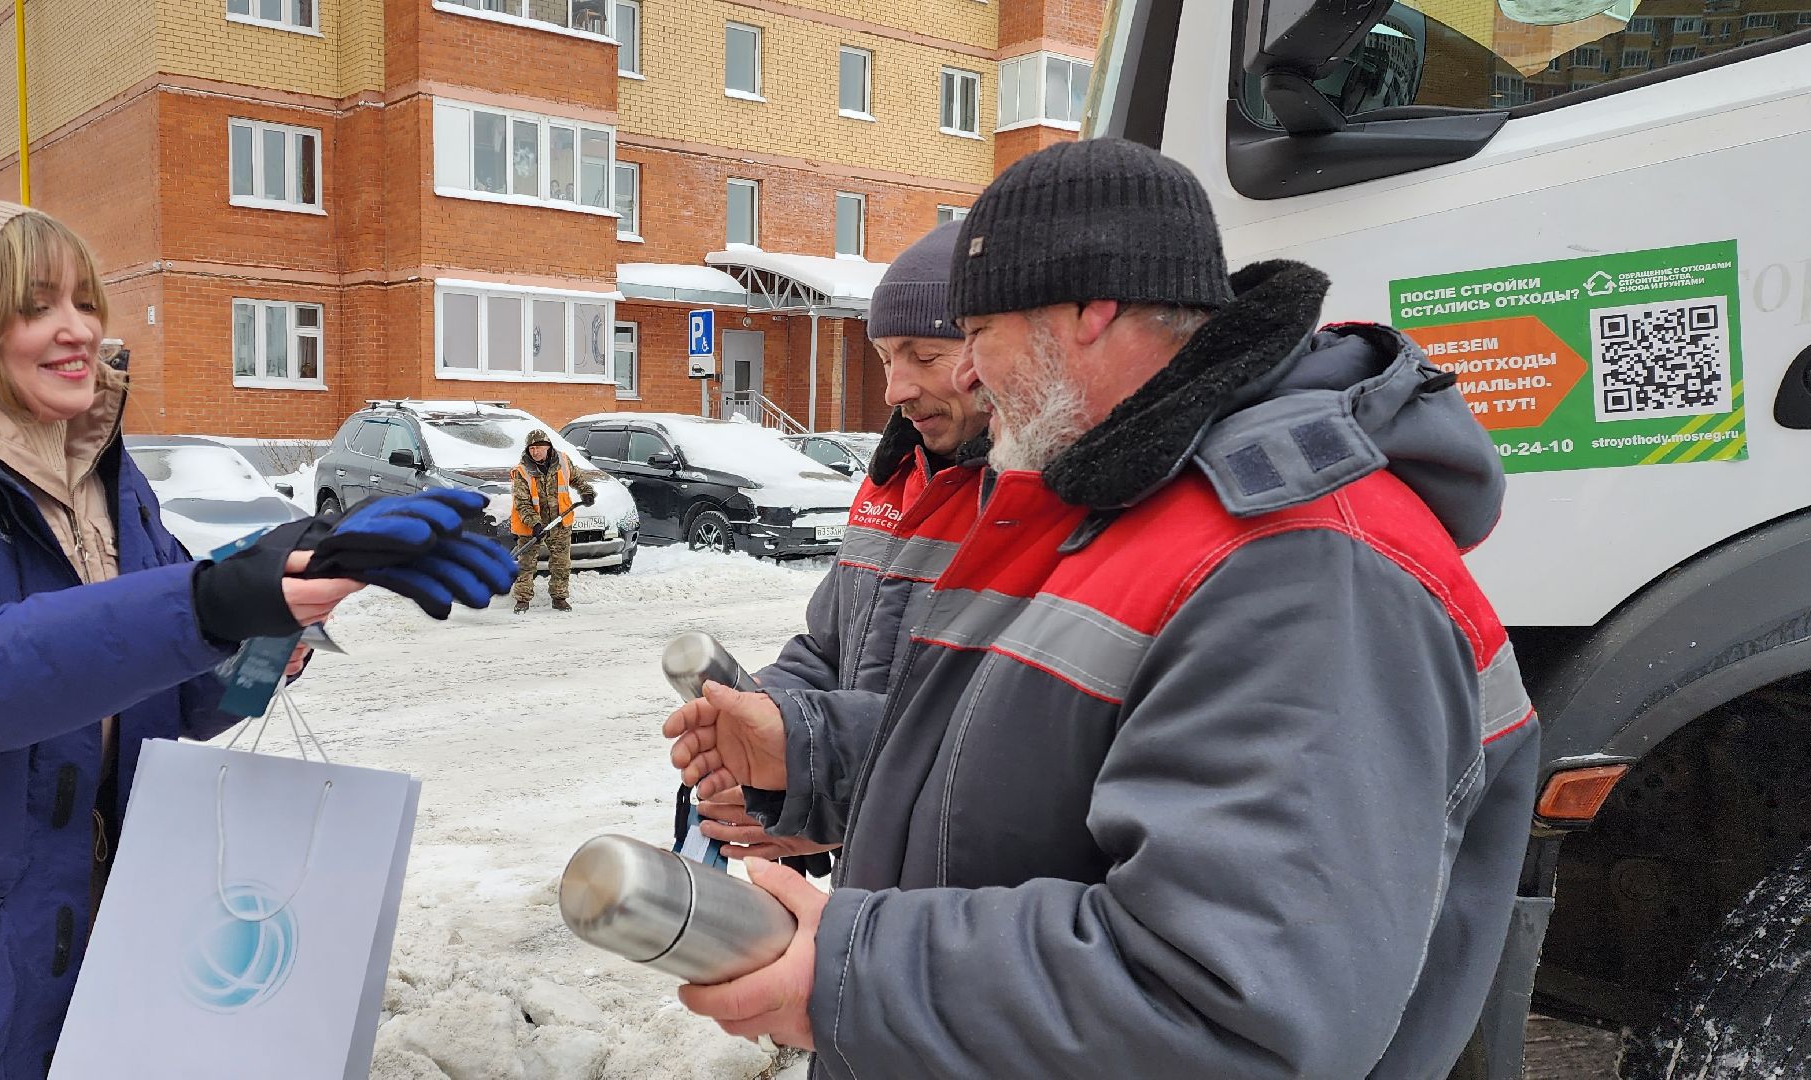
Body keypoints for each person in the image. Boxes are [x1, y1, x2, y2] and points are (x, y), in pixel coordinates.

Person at [666, 140, 1541, 1077]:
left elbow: (1231, 1004)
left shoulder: (1305, 565)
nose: (962, 377)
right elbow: (1037, 777)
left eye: (976, 336)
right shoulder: (1115, 507)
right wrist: (811, 758)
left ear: (1090, 313)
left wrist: (855, 975)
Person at [0, 201, 512, 1078]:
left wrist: (285, 605)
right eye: (34, 307)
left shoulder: (98, 477)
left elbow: (173, 691)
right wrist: (216, 601)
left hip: (94, 966)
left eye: (85, 300)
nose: (77, 330)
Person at [687, 221, 992, 871]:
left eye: (923, 355)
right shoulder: (889, 484)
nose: (894, 388)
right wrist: (759, 722)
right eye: (885, 358)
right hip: (872, 877)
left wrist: (806, 761)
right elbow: (825, 648)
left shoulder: (1026, 506)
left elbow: (987, 738)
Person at [509, 428, 594, 612]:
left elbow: (578, 478)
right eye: (531, 448)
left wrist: (587, 492)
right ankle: (522, 600)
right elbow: (522, 503)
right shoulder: (521, 471)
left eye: (539, 447)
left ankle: (559, 598)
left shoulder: (562, 461)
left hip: (559, 521)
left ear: (548, 447)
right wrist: (535, 523)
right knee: (526, 563)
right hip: (532, 525)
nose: (535, 451)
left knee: (561, 563)